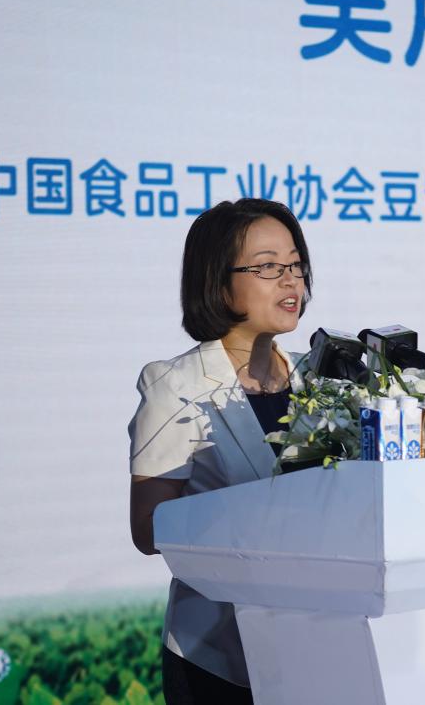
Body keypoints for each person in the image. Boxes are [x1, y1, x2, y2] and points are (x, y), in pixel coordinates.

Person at [128, 199, 314, 704]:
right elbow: (148, 528)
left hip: (319, 640)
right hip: (220, 654)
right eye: (268, 267)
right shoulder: (175, 386)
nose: (291, 281)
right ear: (218, 282)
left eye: (296, 264)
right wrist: (260, 514)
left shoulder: (320, 378)